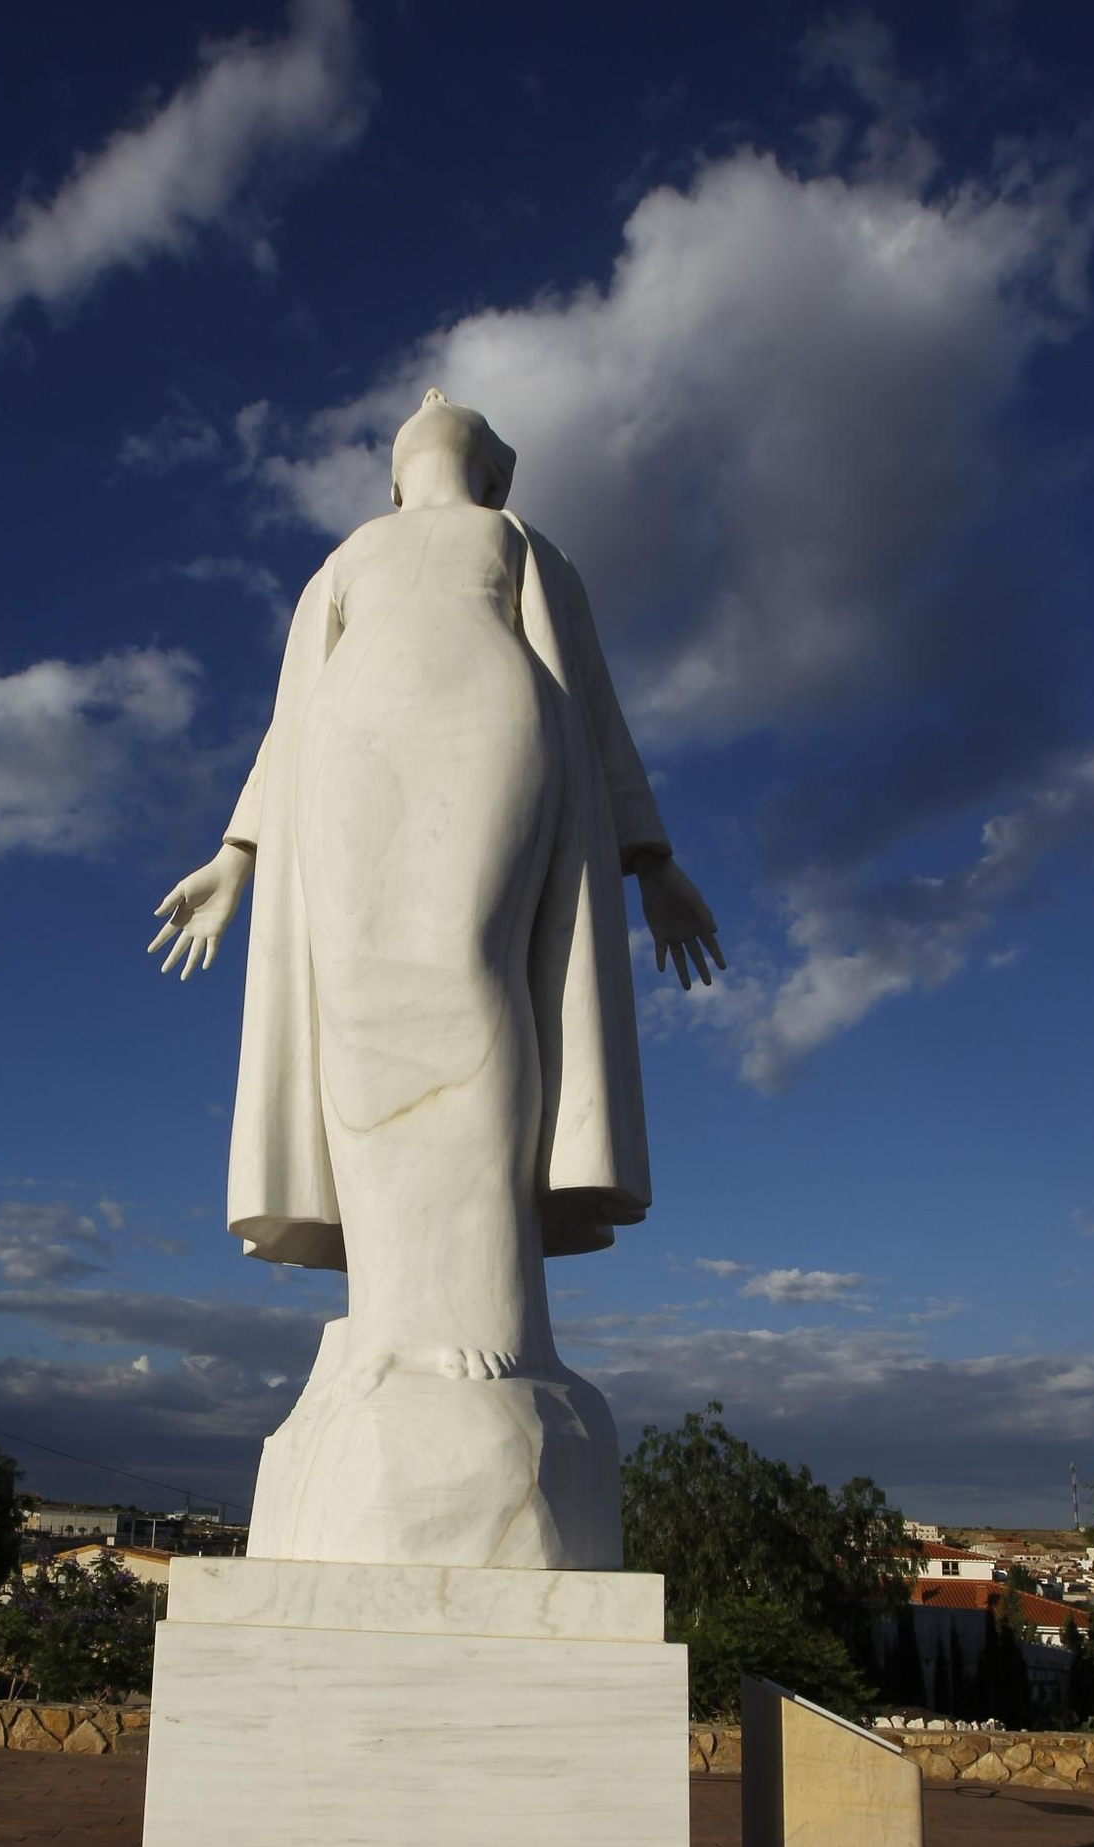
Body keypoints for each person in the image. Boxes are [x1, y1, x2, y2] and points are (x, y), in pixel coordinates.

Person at [151, 391, 724, 1566]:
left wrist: (646, 855)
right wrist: (237, 854)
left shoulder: (519, 546)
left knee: (466, 976)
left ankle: (484, 1318)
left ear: (490, 471)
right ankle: (388, 1326)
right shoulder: (345, 560)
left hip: (491, 716)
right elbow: (291, 715)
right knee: (355, 1004)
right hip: (351, 751)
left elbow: (595, 708)